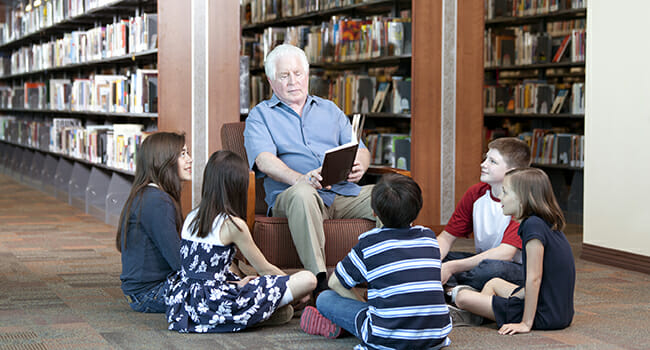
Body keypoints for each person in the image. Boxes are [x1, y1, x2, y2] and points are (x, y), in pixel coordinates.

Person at [243, 44, 377, 294]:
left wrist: (361, 163)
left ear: (307, 75)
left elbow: (360, 147)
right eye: (284, 76)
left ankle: (388, 272)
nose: (293, 81)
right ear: (272, 81)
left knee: (391, 196)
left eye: (298, 73)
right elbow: (263, 160)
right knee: (303, 193)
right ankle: (320, 282)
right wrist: (300, 178)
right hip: (293, 196)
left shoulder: (330, 110)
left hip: (341, 192)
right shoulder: (260, 116)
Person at [165, 150, 317, 332]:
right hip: (216, 303)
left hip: (187, 304)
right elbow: (265, 269)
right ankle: (263, 313)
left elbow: (201, 275)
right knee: (308, 279)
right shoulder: (232, 225)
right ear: (237, 186)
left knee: (253, 285)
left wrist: (237, 284)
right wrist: (296, 288)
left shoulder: (191, 216)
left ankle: (269, 311)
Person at [300, 174, 452, 350]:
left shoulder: (369, 244)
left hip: (385, 338)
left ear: (374, 212)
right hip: (435, 336)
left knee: (325, 298)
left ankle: (346, 325)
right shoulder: (429, 238)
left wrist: (363, 305)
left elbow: (335, 282)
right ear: (418, 209)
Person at [448, 168, 575, 334]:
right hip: (558, 311)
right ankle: (481, 314)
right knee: (493, 283)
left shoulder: (532, 226)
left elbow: (534, 279)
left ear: (524, 198)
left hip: (545, 315)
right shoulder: (543, 222)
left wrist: (525, 323)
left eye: (506, 192)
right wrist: (516, 297)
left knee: (462, 297)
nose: (500, 197)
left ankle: (481, 312)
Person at [438, 137, 531, 291]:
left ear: (512, 171)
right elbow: (446, 237)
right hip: (483, 263)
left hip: (515, 268)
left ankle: (455, 291)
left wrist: (452, 267)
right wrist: (433, 259)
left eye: (492, 162)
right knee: (432, 258)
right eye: (485, 158)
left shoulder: (522, 200)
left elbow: (505, 254)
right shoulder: (476, 193)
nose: (483, 164)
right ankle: (459, 292)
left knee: (491, 270)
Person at [116, 131, 192, 313]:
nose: (189, 159)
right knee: (225, 294)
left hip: (147, 289)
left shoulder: (149, 195)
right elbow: (178, 261)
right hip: (149, 293)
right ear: (163, 160)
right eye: (182, 154)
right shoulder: (157, 201)